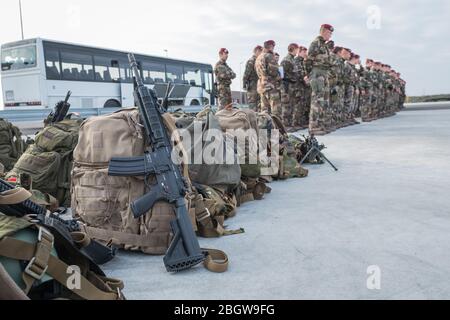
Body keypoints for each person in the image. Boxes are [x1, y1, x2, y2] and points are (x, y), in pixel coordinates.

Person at [307, 24, 334, 135]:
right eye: (329, 33)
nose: (330, 35)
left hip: (324, 74)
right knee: (317, 100)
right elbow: (308, 60)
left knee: (324, 101)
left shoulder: (325, 46)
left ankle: (321, 124)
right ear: (323, 31)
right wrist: (309, 75)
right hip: (317, 73)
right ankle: (313, 126)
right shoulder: (315, 43)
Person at [255, 40, 283, 118]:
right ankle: (277, 129)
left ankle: (264, 129)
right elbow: (273, 71)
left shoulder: (258, 57)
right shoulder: (269, 56)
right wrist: (280, 75)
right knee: (276, 111)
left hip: (262, 86)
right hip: (271, 86)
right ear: (271, 47)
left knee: (264, 111)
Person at [281, 43, 300, 130]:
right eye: (297, 49)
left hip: (292, 86)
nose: (298, 51)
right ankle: (285, 125)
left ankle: (289, 124)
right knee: (286, 106)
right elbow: (282, 76)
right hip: (287, 86)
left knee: (291, 105)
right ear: (293, 49)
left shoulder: (292, 60)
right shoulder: (286, 60)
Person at [243, 45, 263, 111]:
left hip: (258, 86)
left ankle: (258, 120)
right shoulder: (251, 61)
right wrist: (244, 84)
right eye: (260, 51)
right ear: (256, 51)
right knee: (253, 106)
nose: (262, 53)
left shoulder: (259, 61)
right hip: (252, 86)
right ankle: (253, 120)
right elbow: (246, 74)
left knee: (259, 105)